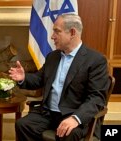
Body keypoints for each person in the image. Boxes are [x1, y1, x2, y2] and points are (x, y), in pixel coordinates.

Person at [9, 13, 109, 141]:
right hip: (48, 114)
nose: (52, 36)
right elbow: (39, 79)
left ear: (72, 32)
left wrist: (75, 118)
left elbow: (96, 98)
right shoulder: (53, 56)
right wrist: (23, 77)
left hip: (73, 114)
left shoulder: (95, 60)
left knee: (68, 133)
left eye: (57, 31)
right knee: (23, 125)